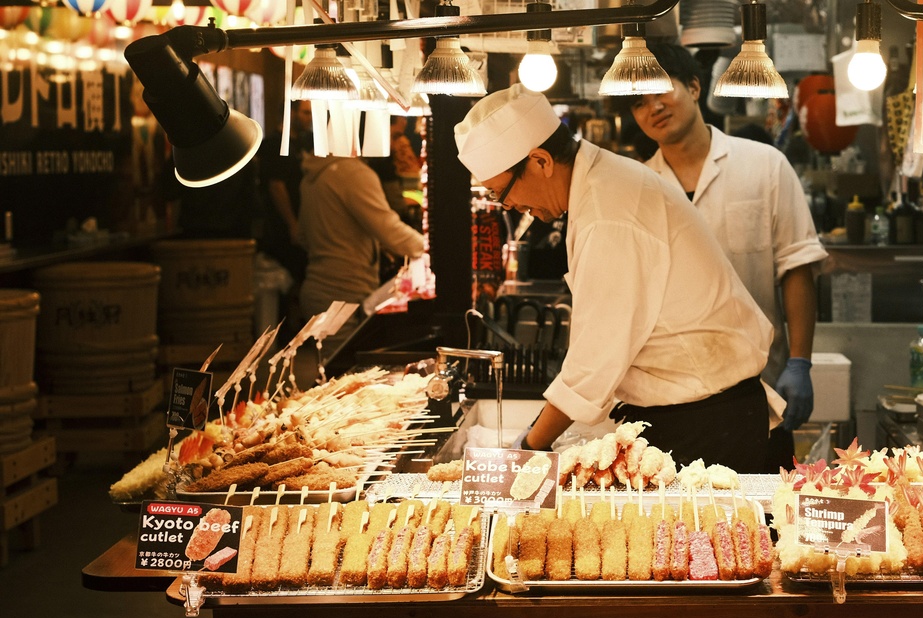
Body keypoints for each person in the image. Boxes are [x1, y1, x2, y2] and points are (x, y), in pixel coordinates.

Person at [454, 84, 776, 472]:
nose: (508, 205)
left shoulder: (609, 213)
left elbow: (594, 362)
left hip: (705, 425)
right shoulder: (601, 182)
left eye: (501, 192)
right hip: (694, 412)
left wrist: (528, 447)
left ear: (540, 161)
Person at [626, 43, 829, 470]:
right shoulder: (637, 188)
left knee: (765, 512)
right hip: (668, 404)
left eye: (660, 90)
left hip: (760, 395)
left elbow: (796, 267)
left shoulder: (765, 165)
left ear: (694, 87)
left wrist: (800, 361)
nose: (653, 107)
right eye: (638, 102)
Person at [296, 134, 424, 353]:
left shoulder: (312, 175)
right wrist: (431, 249)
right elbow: (389, 230)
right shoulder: (353, 173)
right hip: (344, 294)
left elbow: (303, 236)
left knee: (331, 368)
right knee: (345, 369)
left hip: (318, 289)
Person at [258, 101, 312, 285]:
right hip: (281, 227)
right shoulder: (274, 144)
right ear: (291, 113)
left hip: (302, 221)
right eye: (305, 113)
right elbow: (276, 186)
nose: (310, 118)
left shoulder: (304, 141)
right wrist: (292, 224)